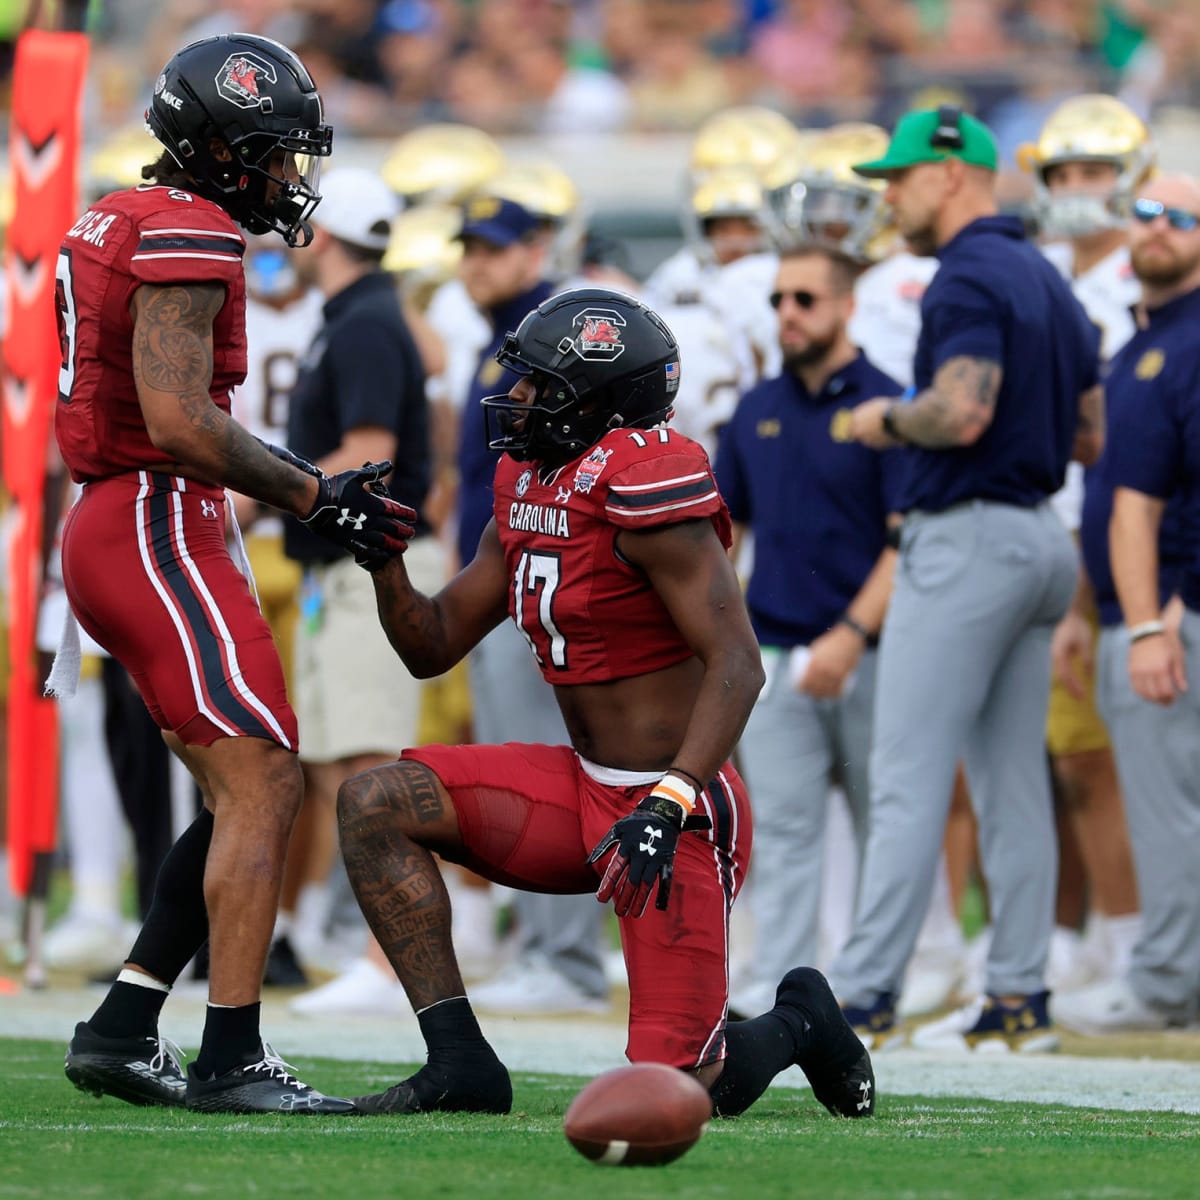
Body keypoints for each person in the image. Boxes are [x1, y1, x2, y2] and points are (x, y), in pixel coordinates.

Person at [336, 286, 875, 1120]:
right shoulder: (527, 479)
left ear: (603, 401)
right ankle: (459, 1061)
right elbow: (431, 646)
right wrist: (383, 563)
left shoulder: (648, 485)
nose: (514, 400)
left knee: (681, 1090)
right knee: (373, 801)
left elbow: (739, 664)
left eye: (538, 385)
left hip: (674, 808)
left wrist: (671, 796)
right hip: (581, 788)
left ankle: (800, 1020)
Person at [55, 33, 413, 1114]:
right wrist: (316, 491)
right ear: (215, 149)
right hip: (157, 519)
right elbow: (178, 418)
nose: (284, 179)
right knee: (264, 775)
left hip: (136, 521)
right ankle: (232, 1054)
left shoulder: (123, 209)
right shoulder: (186, 228)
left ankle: (122, 1026)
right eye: (270, 153)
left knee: (241, 781)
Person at [835, 106, 1100, 1052]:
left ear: (949, 173)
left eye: (899, 176)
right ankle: (1019, 997)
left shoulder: (966, 274)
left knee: (906, 774)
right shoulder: (1047, 276)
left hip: (970, 536)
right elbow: (1092, 432)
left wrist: (883, 420)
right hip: (1037, 537)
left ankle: (862, 998)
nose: (890, 194)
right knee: (1011, 781)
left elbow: (959, 412)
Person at [714, 244, 903, 1020]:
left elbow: (909, 537)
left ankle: (877, 975)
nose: (788, 314)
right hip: (780, 650)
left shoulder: (889, 403)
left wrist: (853, 634)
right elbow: (721, 539)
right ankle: (786, 978)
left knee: (885, 818)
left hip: (876, 652)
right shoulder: (756, 407)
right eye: (779, 300)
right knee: (785, 830)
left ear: (847, 305)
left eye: (805, 299)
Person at [277, 166, 435, 1015]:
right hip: (335, 573)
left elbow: (368, 453)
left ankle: (387, 963)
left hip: (366, 567)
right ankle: (365, 947)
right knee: (342, 762)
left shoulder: (366, 321)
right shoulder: (359, 314)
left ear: (325, 234)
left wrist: (259, 484)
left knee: (373, 764)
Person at [448, 195, 609, 1015]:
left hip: (534, 578)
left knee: (546, 768)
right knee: (520, 767)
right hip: (499, 580)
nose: (477, 260)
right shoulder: (500, 339)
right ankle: (544, 946)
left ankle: (569, 959)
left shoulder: (555, 335)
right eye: (469, 246)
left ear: (537, 247)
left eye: (494, 246)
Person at [1063, 173, 1200, 1032]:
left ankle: (1165, 982)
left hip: (1168, 620)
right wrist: (1085, 610)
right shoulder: (1141, 345)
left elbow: (1155, 503)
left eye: (1179, 217)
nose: (1155, 228)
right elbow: (1113, 494)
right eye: (1144, 213)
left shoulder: (1189, 343)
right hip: (1132, 612)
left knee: (1167, 806)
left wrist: (1158, 614)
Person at [1021, 94, 1149, 992]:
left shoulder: (1142, 280)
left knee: (1106, 756)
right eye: (1063, 173)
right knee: (1066, 754)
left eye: (1094, 172)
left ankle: (1138, 941)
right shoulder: (1051, 276)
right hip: (1061, 532)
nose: (1076, 190)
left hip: (1120, 542)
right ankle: (1101, 935)